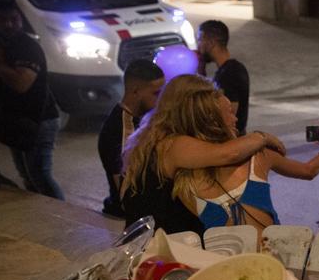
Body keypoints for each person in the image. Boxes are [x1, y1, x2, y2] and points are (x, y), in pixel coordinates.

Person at [120, 75, 286, 236]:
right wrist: (262, 137)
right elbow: (229, 153)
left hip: (146, 240)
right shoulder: (173, 144)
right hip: (163, 247)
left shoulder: (151, 138)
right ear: (193, 107)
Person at [191, 118, 319, 244]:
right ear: (214, 120)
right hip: (270, 258)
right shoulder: (259, 156)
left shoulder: (185, 182)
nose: (235, 118)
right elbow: (309, 171)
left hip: (224, 265)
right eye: (229, 112)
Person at [0, 0, 64, 199]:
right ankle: (41, 217)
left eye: (14, 19)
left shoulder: (27, 47)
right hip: (16, 119)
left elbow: (22, 84)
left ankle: (64, 219)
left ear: (21, 20)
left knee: (40, 176)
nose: (9, 24)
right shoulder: (0, 45)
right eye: (2, 19)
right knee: (27, 176)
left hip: (39, 120)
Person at [97, 59, 164, 218]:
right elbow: (126, 191)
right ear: (135, 91)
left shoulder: (143, 118)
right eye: (156, 93)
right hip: (131, 220)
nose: (161, 99)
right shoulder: (120, 129)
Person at [197, 20, 249, 136]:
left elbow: (229, 114)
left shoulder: (230, 74)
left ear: (210, 43)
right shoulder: (228, 70)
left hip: (232, 142)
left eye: (200, 39)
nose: (198, 46)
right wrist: (201, 69)